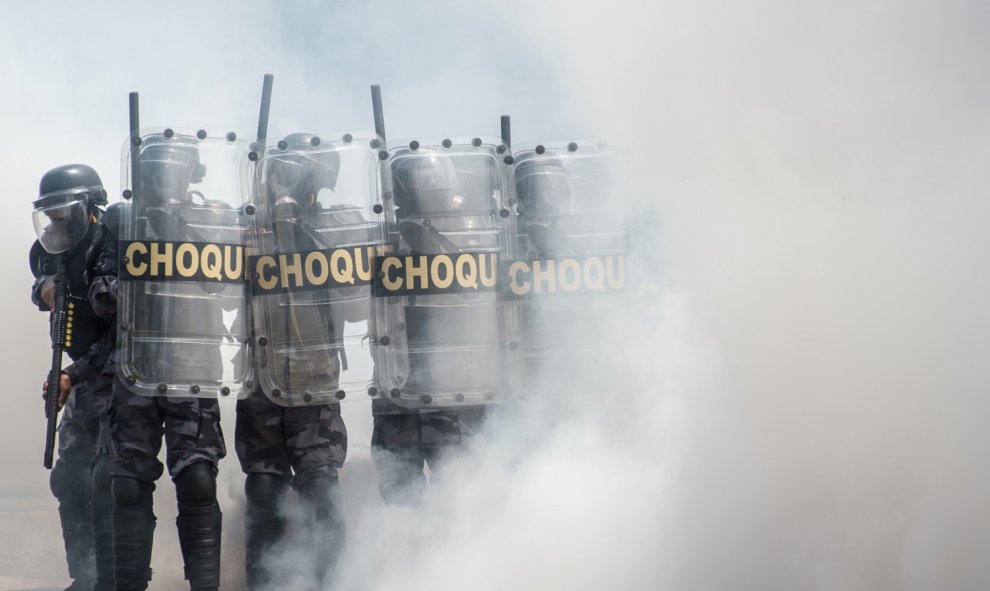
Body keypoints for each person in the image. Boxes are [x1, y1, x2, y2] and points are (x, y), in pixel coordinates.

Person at [94, 135, 232, 591]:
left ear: (191, 174)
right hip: (134, 368)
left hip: (192, 369)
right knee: (128, 485)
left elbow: (232, 292)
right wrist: (124, 285)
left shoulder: (213, 218)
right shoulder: (122, 219)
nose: (161, 180)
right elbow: (101, 291)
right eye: (154, 171)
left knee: (197, 481)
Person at [237, 133, 349, 589]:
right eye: (283, 173)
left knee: (320, 489)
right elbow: (214, 297)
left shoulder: (339, 226)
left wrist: (301, 234)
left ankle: (331, 582)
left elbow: (360, 301)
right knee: (264, 492)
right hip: (261, 380)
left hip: (315, 381)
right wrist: (246, 245)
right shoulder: (248, 227)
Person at [371, 147, 497, 504]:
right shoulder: (381, 238)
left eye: (432, 178)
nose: (427, 186)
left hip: (455, 383)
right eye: (418, 179)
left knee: (458, 489)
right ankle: (406, 557)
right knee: (400, 494)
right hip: (398, 381)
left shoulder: (472, 230)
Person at [30, 163, 115, 591]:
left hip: (118, 377)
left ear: (88, 208)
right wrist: (44, 286)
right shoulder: (53, 247)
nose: (55, 220)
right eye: (50, 212)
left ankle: (115, 577)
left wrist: (71, 375)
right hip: (81, 375)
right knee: (68, 477)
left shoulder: (110, 246)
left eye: (63, 211)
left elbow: (122, 335)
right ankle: (87, 575)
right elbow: (41, 276)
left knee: (108, 481)